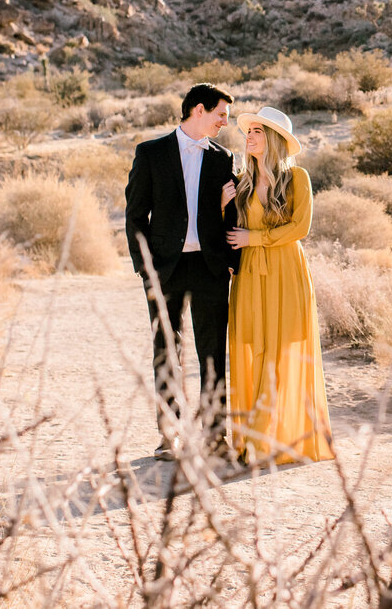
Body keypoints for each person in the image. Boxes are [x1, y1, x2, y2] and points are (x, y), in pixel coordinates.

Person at [124, 82, 238, 460]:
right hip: (165, 270)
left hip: (209, 268)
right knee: (166, 351)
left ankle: (215, 436)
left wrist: (232, 263)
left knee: (212, 353)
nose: (225, 121)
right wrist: (146, 268)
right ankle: (170, 435)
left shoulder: (224, 159)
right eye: (221, 113)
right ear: (199, 110)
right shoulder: (151, 153)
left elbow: (230, 216)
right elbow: (135, 215)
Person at [226, 106, 335, 465]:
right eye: (249, 131)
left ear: (273, 138)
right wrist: (221, 204)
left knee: (279, 351)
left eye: (258, 130)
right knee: (253, 349)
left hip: (286, 272)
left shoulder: (297, 178)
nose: (250, 136)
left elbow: (300, 228)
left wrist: (254, 238)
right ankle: (253, 439)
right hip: (249, 275)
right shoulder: (241, 181)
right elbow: (229, 231)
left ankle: (266, 441)